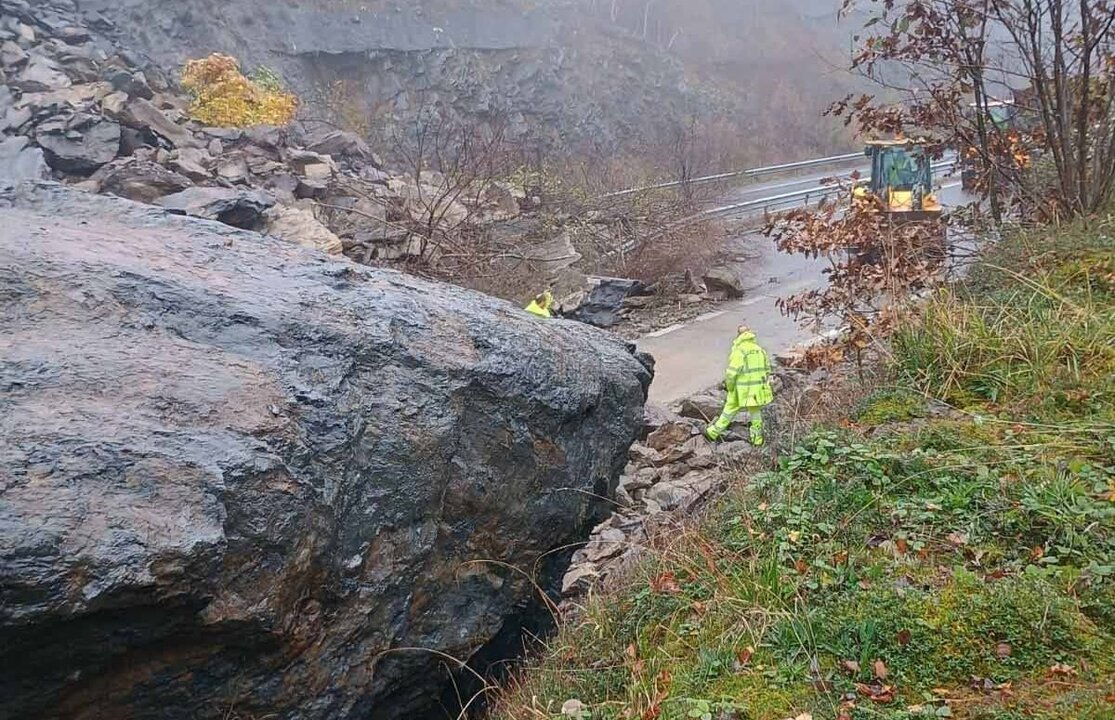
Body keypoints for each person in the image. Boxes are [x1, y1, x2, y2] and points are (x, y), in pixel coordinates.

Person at [705, 325, 774, 446]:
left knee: (729, 410)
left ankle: (713, 432)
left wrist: (730, 387)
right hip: (757, 389)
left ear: (739, 335)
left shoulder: (739, 350)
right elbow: (767, 369)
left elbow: (732, 373)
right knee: (756, 414)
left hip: (740, 389)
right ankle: (757, 439)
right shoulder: (759, 350)